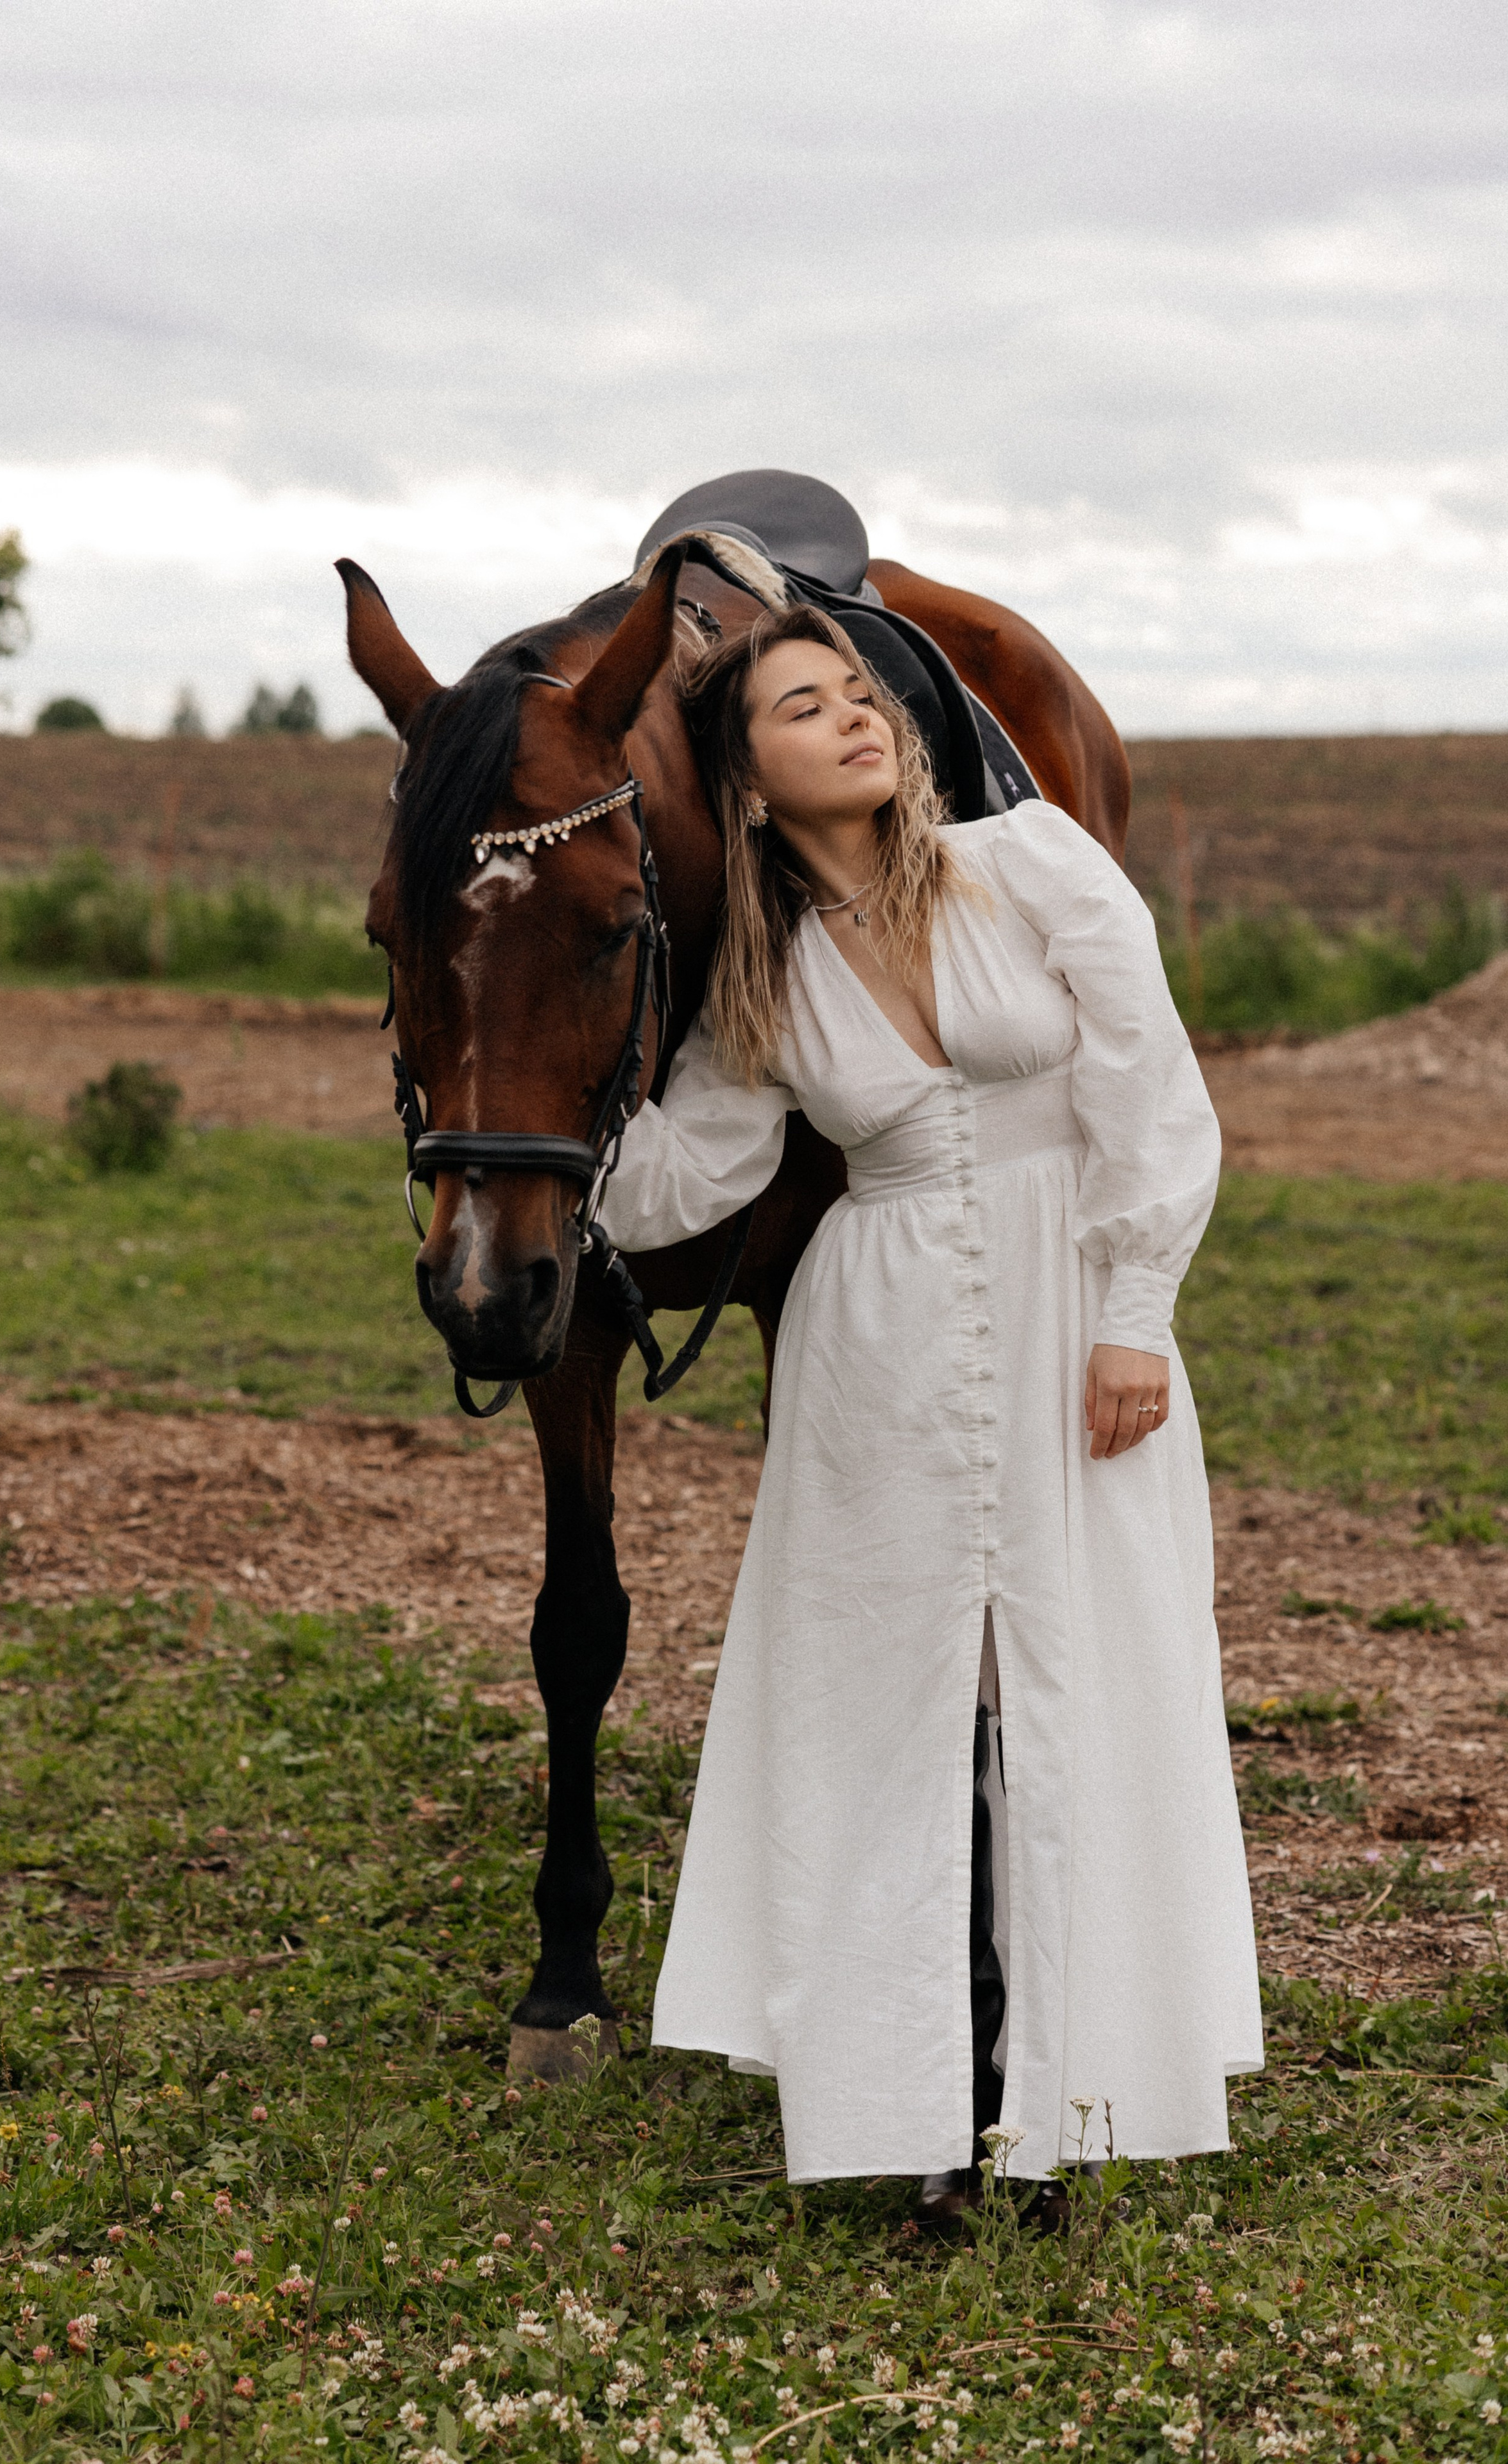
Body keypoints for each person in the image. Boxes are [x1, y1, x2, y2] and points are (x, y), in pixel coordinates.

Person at [598, 603, 1262, 2214]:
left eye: (858, 694)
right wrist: (531, 1106)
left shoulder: (1029, 867)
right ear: (746, 781)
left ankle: (1066, 2094)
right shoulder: (761, 977)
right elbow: (694, 1170)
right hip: (873, 1343)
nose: (853, 719)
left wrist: (1130, 1319)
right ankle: (925, 2105)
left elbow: (1151, 1096)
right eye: (801, 707)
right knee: (894, 1707)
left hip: (1064, 1316)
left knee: (1064, 1678)